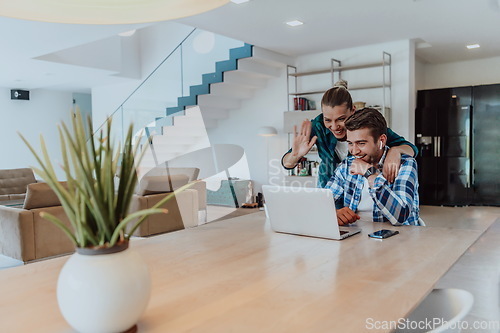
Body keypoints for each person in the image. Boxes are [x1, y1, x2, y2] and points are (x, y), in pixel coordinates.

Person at [281, 80, 418, 188]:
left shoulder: (367, 125)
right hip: (329, 186)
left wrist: (396, 150)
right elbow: (287, 164)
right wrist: (295, 155)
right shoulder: (318, 126)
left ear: (353, 110)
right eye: (328, 120)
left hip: (357, 188)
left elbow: (412, 148)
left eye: (341, 119)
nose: (334, 127)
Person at [325, 108, 420, 226]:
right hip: (357, 237)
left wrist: (370, 173)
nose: (354, 151)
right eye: (350, 143)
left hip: (398, 238)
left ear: (381, 140)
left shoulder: (405, 164)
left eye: (361, 143)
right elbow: (323, 202)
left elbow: (400, 216)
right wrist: (333, 213)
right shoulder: (347, 165)